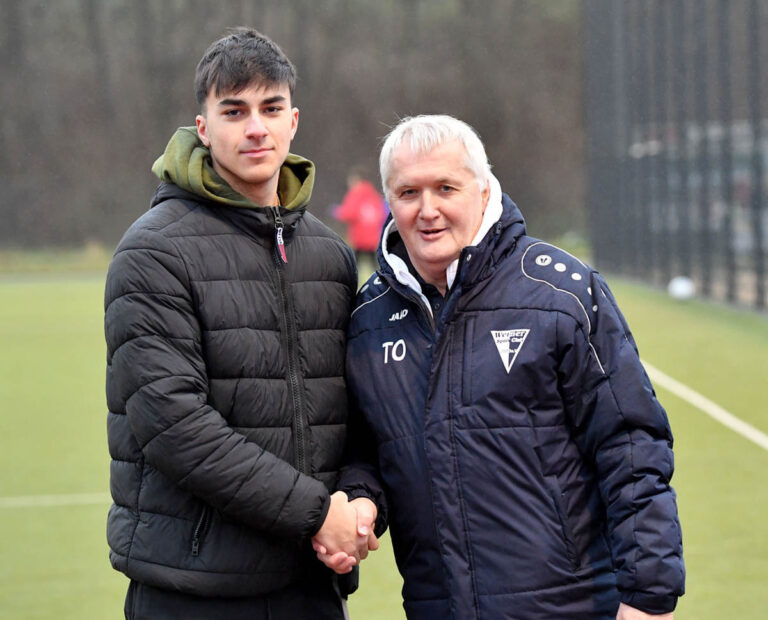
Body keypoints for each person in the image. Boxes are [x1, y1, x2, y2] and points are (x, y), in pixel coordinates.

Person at [322, 115, 685, 619]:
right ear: (390, 200)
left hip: (572, 608)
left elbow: (630, 444)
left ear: (484, 187)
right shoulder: (368, 319)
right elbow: (365, 449)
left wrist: (648, 595)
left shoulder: (562, 293)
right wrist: (361, 500)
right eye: (408, 193)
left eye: (445, 187)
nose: (427, 210)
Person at [104, 28, 382, 619]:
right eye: (234, 111)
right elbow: (174, 426)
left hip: (312, 586)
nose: (255, 127)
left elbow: (359, 407)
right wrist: (317, 512)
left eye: (270, 108)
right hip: (196, 590)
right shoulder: (152, 252)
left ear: (293, 121)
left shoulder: (330, 258)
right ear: (203, 129)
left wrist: (360, 499)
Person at [332, 167, 387, 270]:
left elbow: (350, 213)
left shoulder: (355, 193)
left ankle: (351, 283)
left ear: (356, 179)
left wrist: (338, 212)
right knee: (374, 266)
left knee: (353, 265)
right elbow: (382, 214)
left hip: (359, 237)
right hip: (373, 237)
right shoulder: (373, 194)